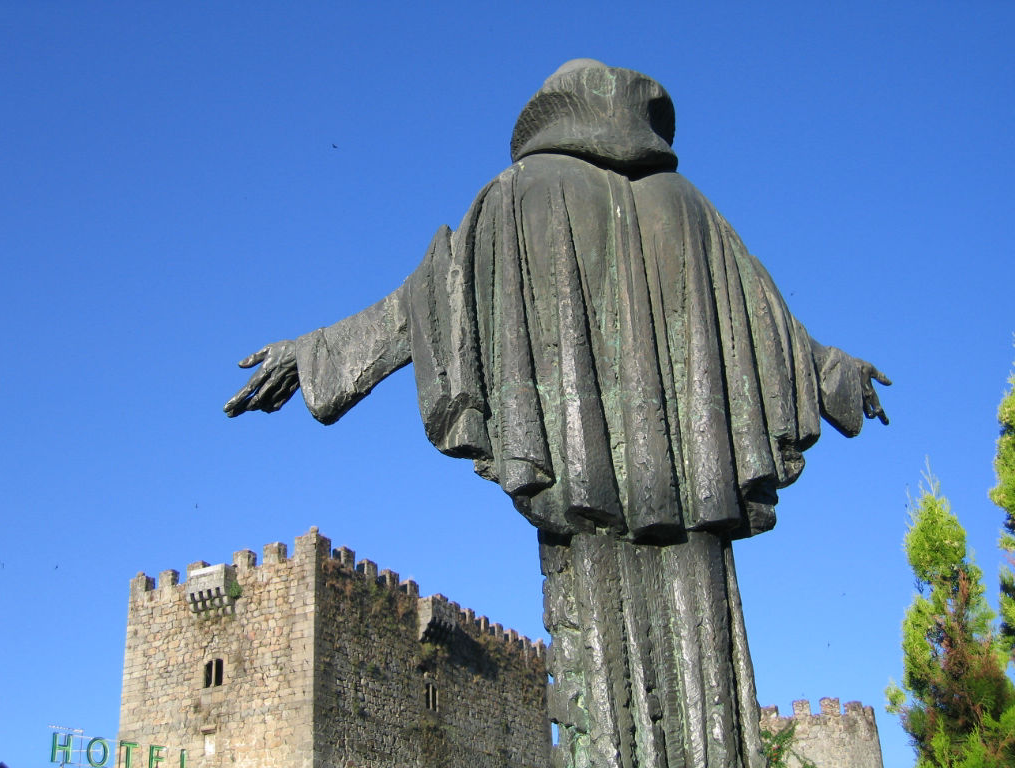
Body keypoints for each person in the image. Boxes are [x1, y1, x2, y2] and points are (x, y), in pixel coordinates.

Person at [226, 59, 889, 768]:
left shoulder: (522, 194)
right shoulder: (694, 209)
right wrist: (835, 373)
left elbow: (432, 299)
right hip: (697, 489)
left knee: (600, 670)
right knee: (709, 666)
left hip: (586, 480)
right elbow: (769, 325)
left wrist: (318, 353)